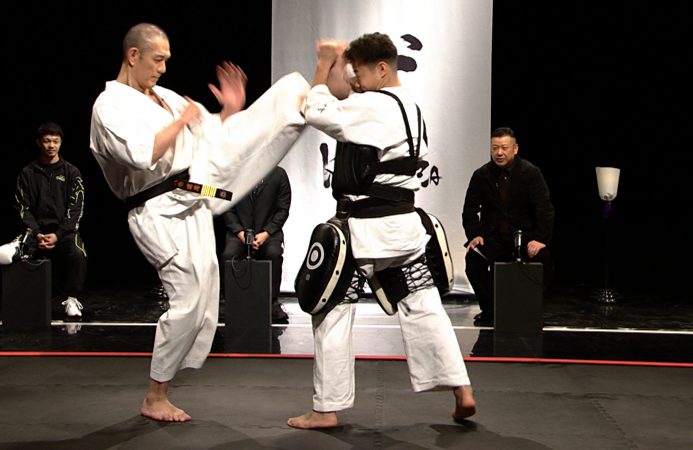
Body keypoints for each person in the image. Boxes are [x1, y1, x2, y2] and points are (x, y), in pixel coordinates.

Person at [89, 23, 308, 422]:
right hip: (156, 208)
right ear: (133, 56)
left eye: (167, 61)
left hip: (193, 191)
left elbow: (210, 135)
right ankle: (155, 396)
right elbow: (142, 154)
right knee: (188, 298)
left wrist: (229, 111)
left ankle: (296, 103)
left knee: (205, 294)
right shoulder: (110, 106)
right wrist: (182, 119)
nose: (163, 69)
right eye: (157, 60)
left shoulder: (167, 97)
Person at [288, 33, 476, 429]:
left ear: (382, 68)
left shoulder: (376, 105)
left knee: (332, 309)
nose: (356, 81)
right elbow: (345, 99)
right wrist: (342, 64)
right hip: (404, 227)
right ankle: (461, 387)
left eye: (360, 73)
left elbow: (316, 110)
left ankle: (325, 408)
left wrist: (323, 62)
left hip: (366, 231)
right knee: (423, 303)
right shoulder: (410, 105)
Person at [462, 127, 554, 326]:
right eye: (495, 148)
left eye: (504, 148)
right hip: (492, 236)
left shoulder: (530, 173)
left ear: (515, 148)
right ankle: (491, 309)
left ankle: (528, 308)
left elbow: (544, 209)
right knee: (473, 259)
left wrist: (540, 239)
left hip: (523, 236)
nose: (499, 153)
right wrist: (475, 235)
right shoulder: (481, 174)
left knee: (544, 258)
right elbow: (470, 210)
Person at [13, 122, 87, 318]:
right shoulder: (27, 173)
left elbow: (76, 208)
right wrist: (37, 233)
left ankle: (72, 299)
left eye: (55, 141)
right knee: (16, 254)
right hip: (34, 232)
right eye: (47, 141)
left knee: (77, 253)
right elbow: (22, 207)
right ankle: (26, 302)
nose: (51, 145)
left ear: (60, 143)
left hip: (63, 232)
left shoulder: (71, 172)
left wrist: (58, 234)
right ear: (39, 143)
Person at [222, 166, 291, 323]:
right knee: (228, 255)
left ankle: (272, 302)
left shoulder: (279, 174)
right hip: (239, 232)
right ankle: (227, 301)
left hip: (268, 233)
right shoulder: (235, 173)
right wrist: (240, 233)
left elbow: (283, 209)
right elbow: (227, 207)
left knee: (274, 254)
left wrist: (266, 233)